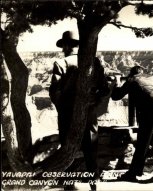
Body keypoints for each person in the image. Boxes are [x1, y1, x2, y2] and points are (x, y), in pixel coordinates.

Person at [49, 31, 109, 190]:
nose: (63, 49)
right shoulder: (94, 62)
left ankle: (69, 186)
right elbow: (104, 89)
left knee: (67, 151)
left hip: (67, 116)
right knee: (91, 152)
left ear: (67, 46)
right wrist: (92, 103)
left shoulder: (61, 63)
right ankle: (93, 185)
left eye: (64, 46)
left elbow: (54, 92)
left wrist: (63, 109)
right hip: (89, 114)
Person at [111, 66, 153, 183]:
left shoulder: (132, 80)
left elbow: (116, 96)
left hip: (151, 108)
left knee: (143, 142)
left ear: (131, 74)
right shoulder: (151, 78)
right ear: (142, 73)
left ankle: (133, 173)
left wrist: (117, 83)